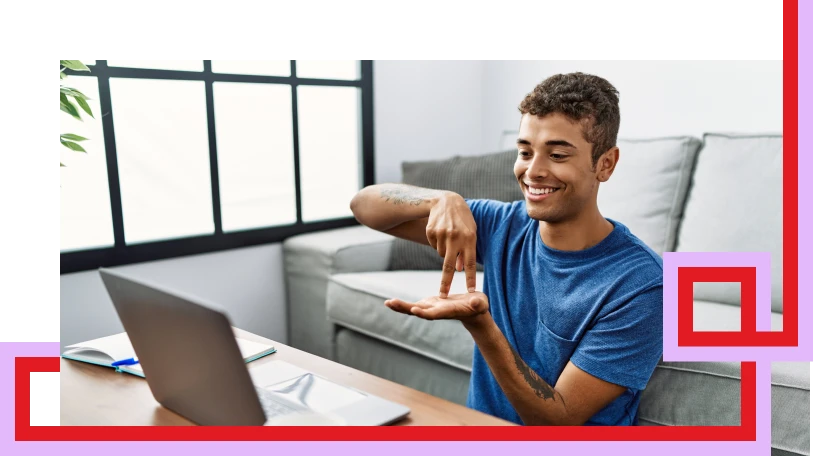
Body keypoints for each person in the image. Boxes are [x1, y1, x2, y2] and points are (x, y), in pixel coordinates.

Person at [349, 72, 663, 426]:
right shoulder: (502, 224)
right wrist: (441, 199)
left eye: (557, 155)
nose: (533, 171)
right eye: (525, 151)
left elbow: (556, 421)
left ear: (605, 163)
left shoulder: (644, 284)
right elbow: (364, 205)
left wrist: (481, 324)